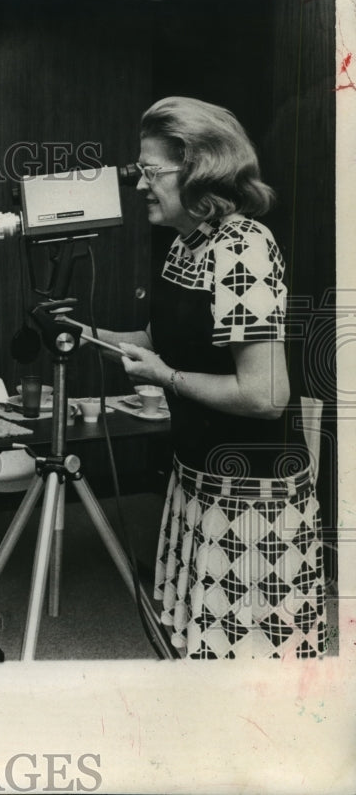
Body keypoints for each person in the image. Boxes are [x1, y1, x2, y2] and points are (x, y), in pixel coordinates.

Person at [68, 97, 325, 658]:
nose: (139, 185)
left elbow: (266, 396)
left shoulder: (244, 247)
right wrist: (84, 333)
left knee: (247, 656)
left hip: (251, 496)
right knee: (200, 644)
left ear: (199, 170)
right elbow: (158, 341)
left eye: (150, 171)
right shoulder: (188, 244)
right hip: (196, 477)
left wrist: (166, 378)